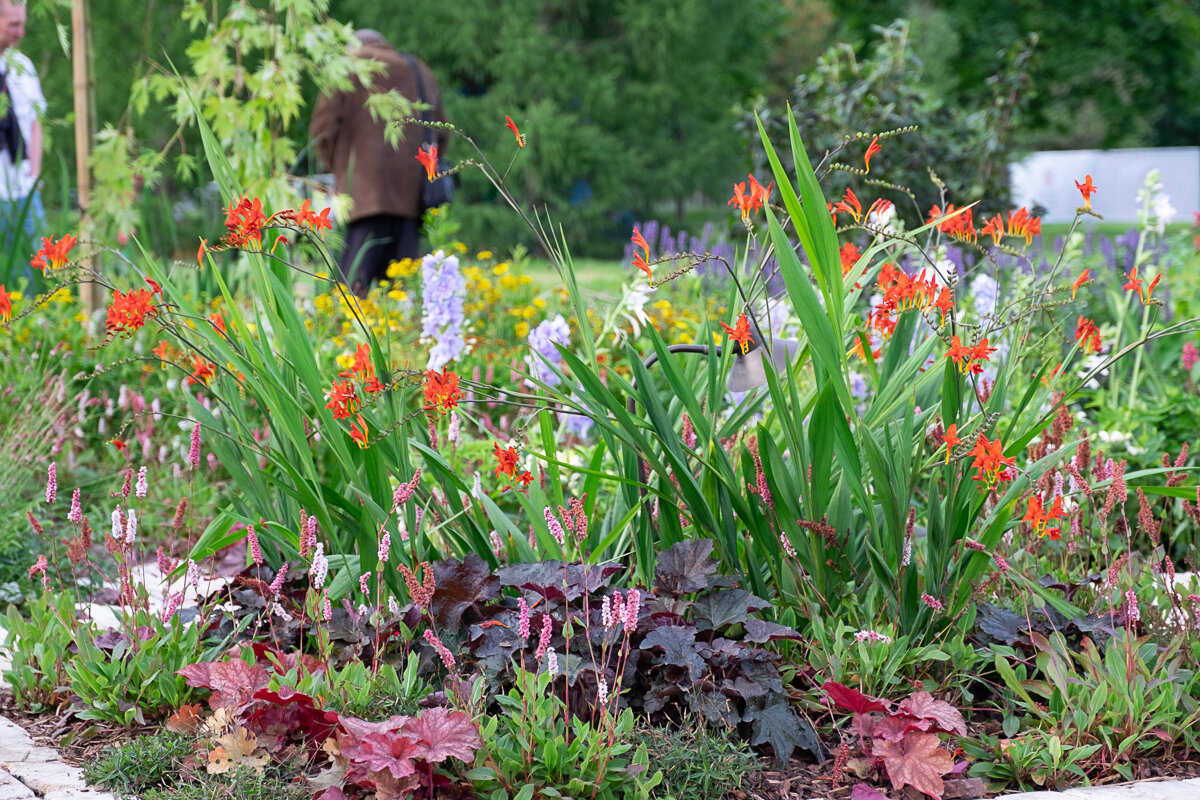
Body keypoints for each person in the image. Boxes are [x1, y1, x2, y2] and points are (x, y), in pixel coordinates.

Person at [310, 30, 448, 296]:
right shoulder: (419, 70)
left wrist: (340, 171)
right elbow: (441, 133)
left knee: (352, 294)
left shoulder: (347, 67)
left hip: (362, 200)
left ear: (354, 46)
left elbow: (322, 129)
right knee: (405, 297)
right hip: (412, 201)